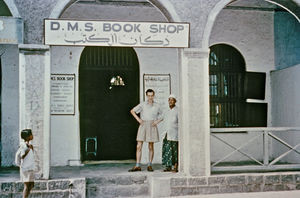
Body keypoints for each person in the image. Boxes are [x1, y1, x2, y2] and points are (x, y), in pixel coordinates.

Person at [129, 89, 163, 172]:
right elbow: (132, 111)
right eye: (149, 96)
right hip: (143, 124)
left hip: (151, 125)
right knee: (139, 146)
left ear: (154, 95)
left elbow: (162, 115)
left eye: (152, 95)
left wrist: (156, 122)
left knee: (150, 146)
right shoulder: (143, 104)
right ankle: (137, 165)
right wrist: (138, 120)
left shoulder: (157, 105)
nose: (150, 97)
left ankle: (150, 165)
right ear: (146, 96)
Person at [162, 94, 179, 172]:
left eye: (172, 100)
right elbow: (163, 119)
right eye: (169, 100)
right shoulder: (166, 110)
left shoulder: (178, 110)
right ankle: (168, 166)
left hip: (174, 133)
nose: (171, 101)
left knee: (174, 150)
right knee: (167, 149)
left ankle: (175, 166)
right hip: (167, 132)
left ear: (175, 101)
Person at [19, 129, 35, 198]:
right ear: (27, 137)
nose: (32, 135)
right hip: (26, 168)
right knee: (27, 185)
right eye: (31, 134)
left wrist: (31, 148)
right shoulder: (23, 145)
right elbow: (22, 156)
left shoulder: (29, 145)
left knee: (31, 184)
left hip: (30, 167)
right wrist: (29, 149)